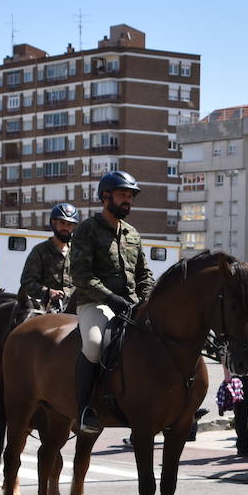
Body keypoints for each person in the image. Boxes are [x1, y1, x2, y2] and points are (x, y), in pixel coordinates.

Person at [69, 171, 155, 434]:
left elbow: (144, 274)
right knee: (94, 344)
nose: (128, 200)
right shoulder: (87, 230)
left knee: (160, 339)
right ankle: (85, 409)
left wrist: (145, 299)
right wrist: (109, 298)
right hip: (94, 302)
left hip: (130, 304)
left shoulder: (132, 234)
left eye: (130, 196)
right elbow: (81, 275)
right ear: (105, 197)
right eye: (122, 195)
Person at [20, 202, 79, 309]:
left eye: (70, 224)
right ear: (53, 223)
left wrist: (70, 293)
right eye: (62, 223)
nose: (66, 228)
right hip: (45, 308)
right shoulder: (40, 251)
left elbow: (84, 280)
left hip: (74, 308)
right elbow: (27, 282)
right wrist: (48, 293)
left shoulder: (78, 252)